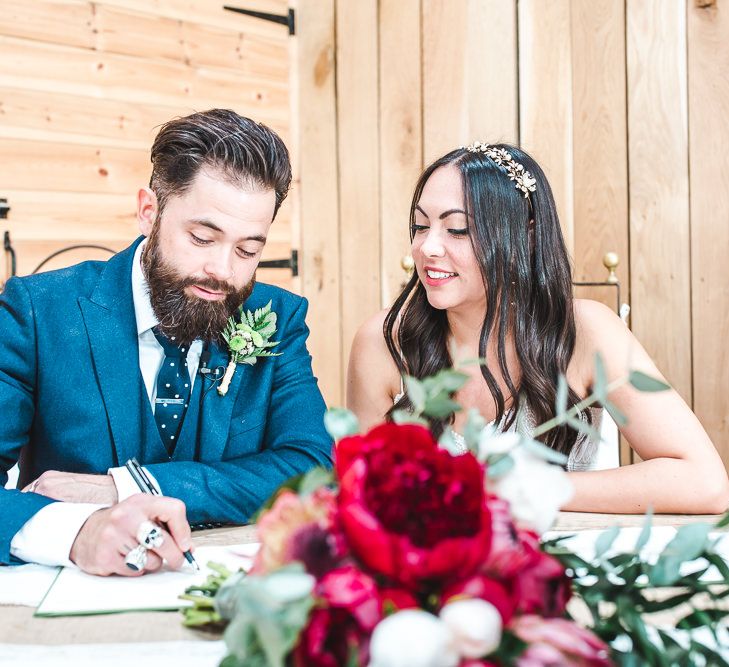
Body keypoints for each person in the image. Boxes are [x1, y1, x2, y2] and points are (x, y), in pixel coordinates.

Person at [0, 109, 333, 575]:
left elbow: (314, 469)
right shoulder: (38, 311)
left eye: (248, 250)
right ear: (149, 211)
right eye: (202, 237)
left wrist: (131, 486)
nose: (223, 271)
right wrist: (74, 534)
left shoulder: (278, 318)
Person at [347, 142, 729, 515]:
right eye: (420, 225)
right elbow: (361, 500)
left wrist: (527, 486)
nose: (427, 247)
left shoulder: (585, 332)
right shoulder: (383, 344)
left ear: (527, 235)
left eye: (457, 229)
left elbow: (705, 483)